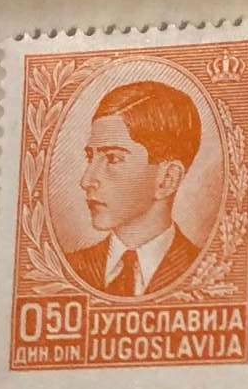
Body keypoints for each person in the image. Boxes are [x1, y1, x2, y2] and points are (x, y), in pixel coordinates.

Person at [66, 77, 205, 296]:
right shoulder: (69, 268)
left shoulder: (206, 269)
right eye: (90, 157)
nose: (86, 181)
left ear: (167, 179)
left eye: (112, 158)